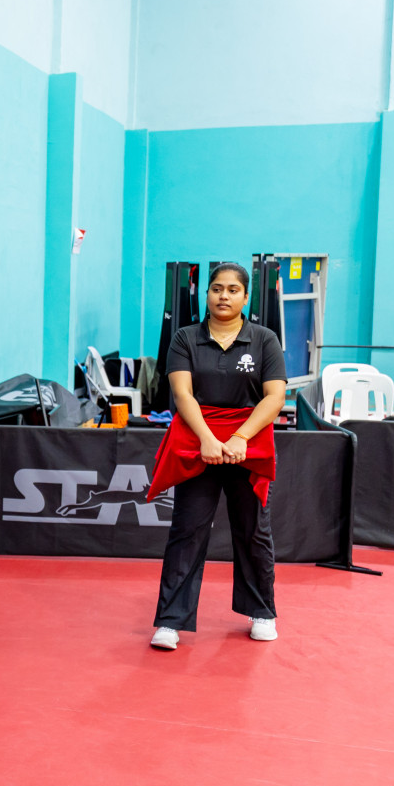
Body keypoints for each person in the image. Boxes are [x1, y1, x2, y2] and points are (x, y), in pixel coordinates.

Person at [146, 261, 287, 650]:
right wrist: (207, 439)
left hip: (250, 441)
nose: (223, 296)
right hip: (198, 441)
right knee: (187, 530)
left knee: (254, 531)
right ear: (206, 294)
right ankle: (171, 621)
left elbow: (275, 397)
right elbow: (182, 394)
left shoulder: (264, 340)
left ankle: (262, 612)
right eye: (216, 289)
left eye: (232, 290)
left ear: (245, 297)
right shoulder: (185, 338)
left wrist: (241, 436)